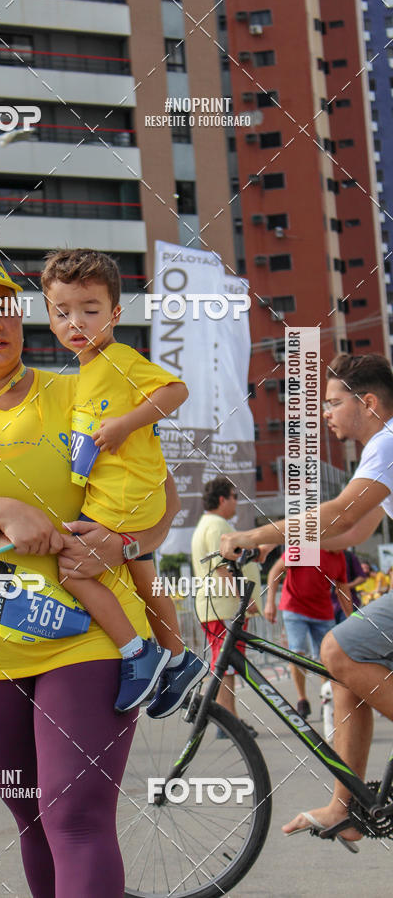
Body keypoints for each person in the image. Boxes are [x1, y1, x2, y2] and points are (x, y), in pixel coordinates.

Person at [0, 252, 181, 897]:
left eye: (2, 310)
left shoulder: (82, 386)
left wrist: (124, 542)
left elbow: (159, 498)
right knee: (31, 817)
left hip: (87, 634)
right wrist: (2, 509)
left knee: (74, 815)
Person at [220, 352, 393, 849]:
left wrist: (254, 535)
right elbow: (353, 531)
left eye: (334, 402)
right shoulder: (382, 454)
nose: (325, 413)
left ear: (369, 402)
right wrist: (284, 540)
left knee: (337, 650)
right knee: (342, 671)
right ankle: (346, 808)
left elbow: (338, 516)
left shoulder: (384, 444)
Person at [41, 249, 208, 716]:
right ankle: (178, 658)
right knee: (144, 579)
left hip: (123, 498)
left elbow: (176, 390)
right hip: (131, 493)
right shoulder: (86, 371)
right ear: (50, 320)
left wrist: (126, 425)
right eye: (63, 312)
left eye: (90, 311)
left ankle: (138, 652)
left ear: (114, 314)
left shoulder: (118, 359)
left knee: (73, 568)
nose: (76, 321)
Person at [191, 477, 262, 736]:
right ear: (222, 499)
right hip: (222, 607)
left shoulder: (208, 524)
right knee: (224, 665)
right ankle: (228, 722)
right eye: (234, 496)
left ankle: (229, 720)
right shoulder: (217, 525)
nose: (237, 501)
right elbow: (222, 567)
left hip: (217, 607)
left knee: (225, 665)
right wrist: (246, 599)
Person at [265, 549, 350, 719]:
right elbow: (276, 570)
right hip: (295, 607)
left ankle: (325, 699)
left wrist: (351, 617)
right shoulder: (306, 545)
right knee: (297, 652)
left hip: (323, 611)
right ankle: (302, 699)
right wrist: (269, 602)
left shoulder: (338, 555)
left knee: (327, 657)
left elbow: (342, 587)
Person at [330, 549, 365, 624]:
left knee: (346, 631)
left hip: (348, 602)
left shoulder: (349, 556)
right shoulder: (318, 555)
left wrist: (346, 587)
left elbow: (362, 577)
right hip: (327, 606)